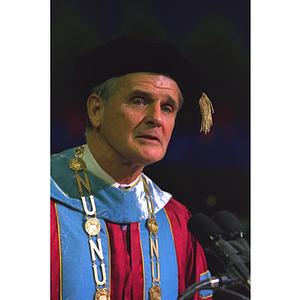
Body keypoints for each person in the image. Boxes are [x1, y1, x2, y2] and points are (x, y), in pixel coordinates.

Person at [51, 36, 214, 300]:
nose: (157, 118)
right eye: (139, 101)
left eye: (168, 108)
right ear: (96, 110)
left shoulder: (179, 224)